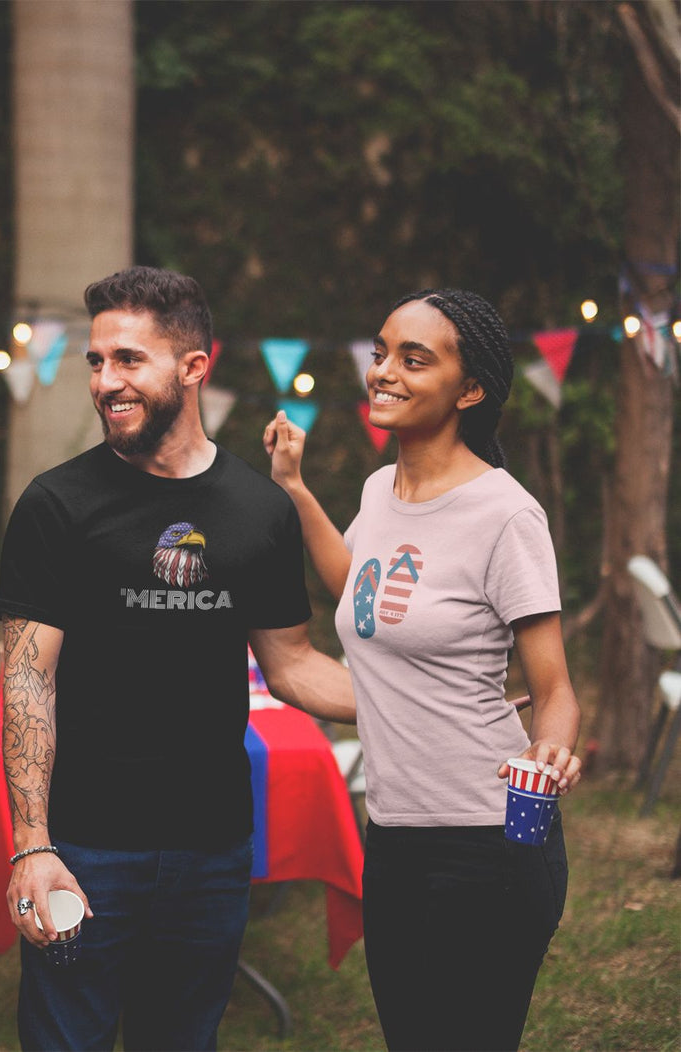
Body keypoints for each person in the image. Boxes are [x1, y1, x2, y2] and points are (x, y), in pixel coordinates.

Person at [0, 266, 356, 1052]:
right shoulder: (57, 506)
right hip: (83, 846)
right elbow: (27, 677)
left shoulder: (260, 510)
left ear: (195, 366)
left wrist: (431, 703)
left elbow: (292, 665)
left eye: (128, 360)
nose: (105, 381)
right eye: (95, 361)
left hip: (213, 847)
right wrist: (33, 843)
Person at [262, 288, 582, 1051]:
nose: (384, 371)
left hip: (488, 835)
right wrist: (295, 492)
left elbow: (555, 691)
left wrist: (553, 749)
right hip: (395, 833)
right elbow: (365, 599)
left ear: (469, 391)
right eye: (380, 352)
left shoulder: (505, 515)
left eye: (415, 358)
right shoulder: (379, 490)